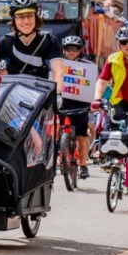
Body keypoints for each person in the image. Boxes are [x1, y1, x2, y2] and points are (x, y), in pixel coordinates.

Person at [56, 34, 93, 178]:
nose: (72, 52)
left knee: (82, 136)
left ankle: (83, 165)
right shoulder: (57, 65)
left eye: (75, 49)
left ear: (79, 51)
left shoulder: (88, 67)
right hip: (61, 103)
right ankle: (56, 157)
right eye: (68, 49)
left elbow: (92, 85)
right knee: (55, 133)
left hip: (81, 105)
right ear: (63, 50)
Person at [0, 0, 58, 79]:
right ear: (14, 20)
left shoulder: (49, 40)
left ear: (36, 18)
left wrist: (58, 91)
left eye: (30, 16)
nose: (26, 21)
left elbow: (58, 72)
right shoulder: (4, 42)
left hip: (40, 89)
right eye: (20, 17)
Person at [96, 24, 128, 128]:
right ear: (119, 44)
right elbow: (102, 81)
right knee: (110, 132)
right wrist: (97, 99)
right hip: (120, 102)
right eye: (123, 42)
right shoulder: (112, 60)